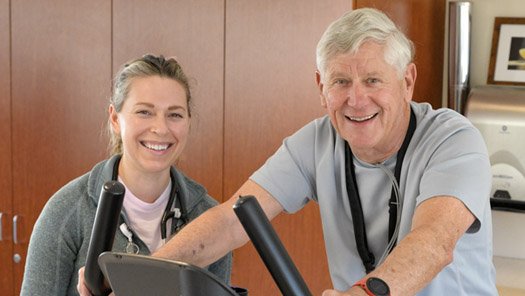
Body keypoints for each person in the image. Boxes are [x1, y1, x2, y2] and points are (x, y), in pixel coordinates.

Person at [77, 8, 497, 296]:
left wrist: (367, 291)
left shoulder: (453, 141)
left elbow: (435, 241)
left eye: (373, 80)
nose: (356, 100)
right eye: (340, 83)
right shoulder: (316, 143)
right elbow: (231, 220)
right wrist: (134, 275)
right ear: (320, 88)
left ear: (407, 82)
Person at [21, 54, 232, 296]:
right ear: (114, 118)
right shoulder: (68, 210)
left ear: (188, 122)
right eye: (144, 112)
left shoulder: (207, 217)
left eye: (175, 114)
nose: (160, 128)